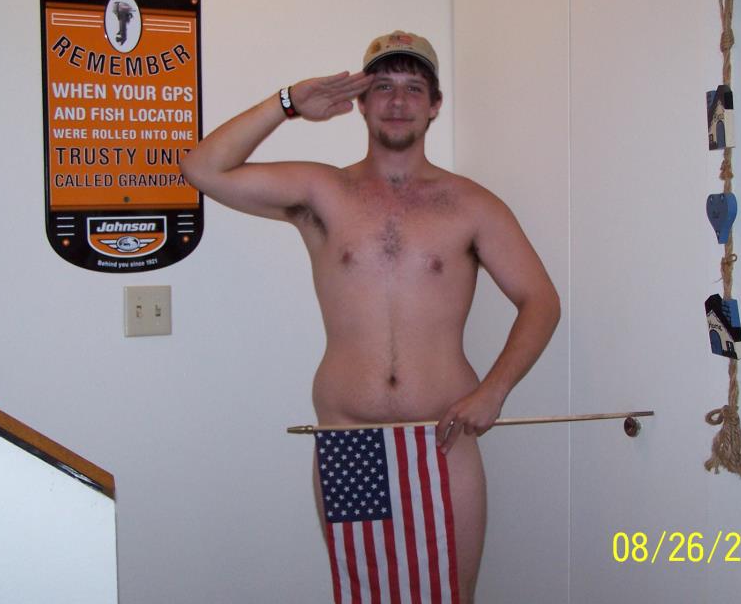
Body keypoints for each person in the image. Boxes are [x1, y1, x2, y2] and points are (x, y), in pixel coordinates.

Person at [181, 30, 560, 602]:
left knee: (449, 595)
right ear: (359, 102)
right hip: (350, 439)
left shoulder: (472, 205)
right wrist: (288, 103)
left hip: (443, 439)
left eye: (414, 88)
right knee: (366, 595)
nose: (398, 101)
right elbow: (203, 169)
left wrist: (495, 391)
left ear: (435, 105)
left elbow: (541, 301)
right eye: (382, 86)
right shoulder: (322, 191)